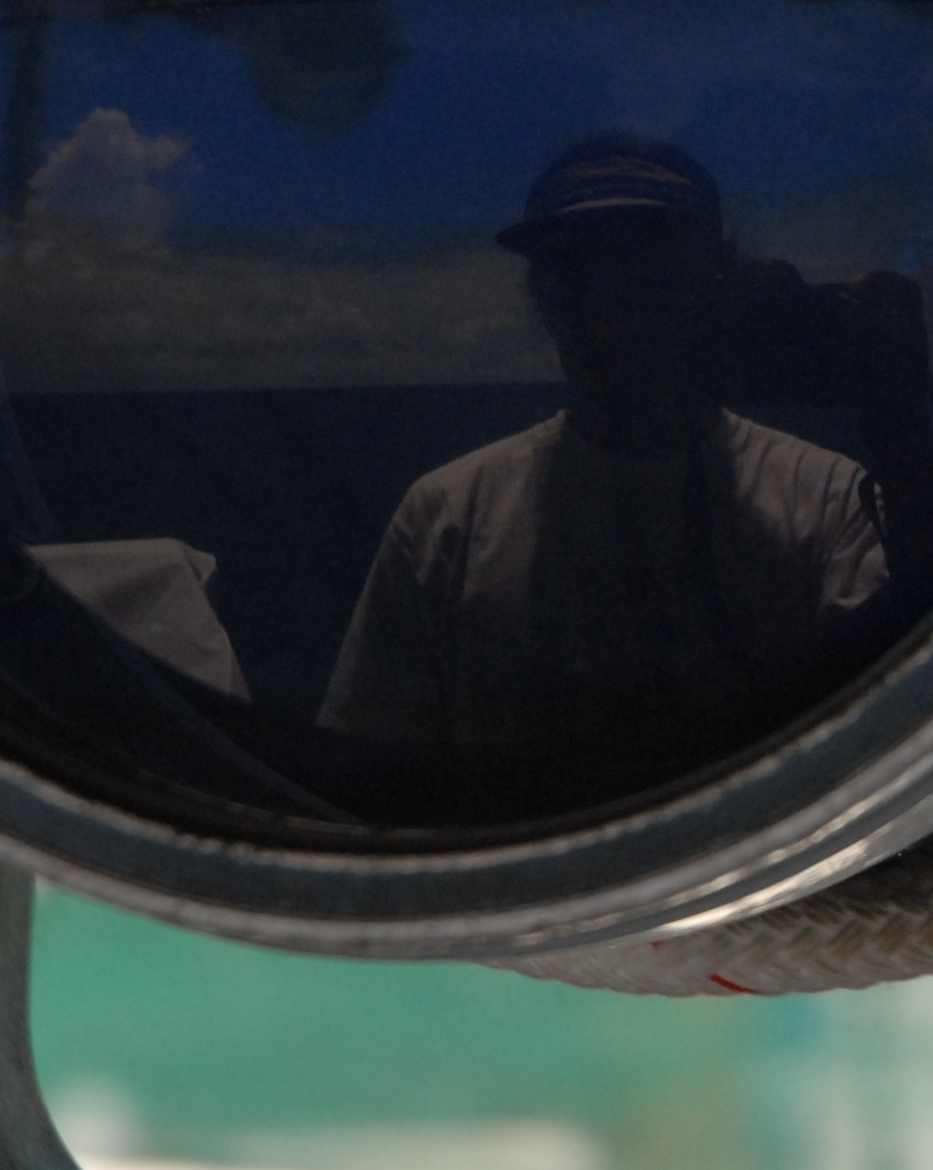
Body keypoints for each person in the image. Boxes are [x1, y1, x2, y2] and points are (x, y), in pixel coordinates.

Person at [319, 133, 893, 780]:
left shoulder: (834, 502)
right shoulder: (444, 515)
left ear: (716, 291)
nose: (611, 310)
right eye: (576, 276)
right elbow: (369, 767)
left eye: (647, 273)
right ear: (547, 303)